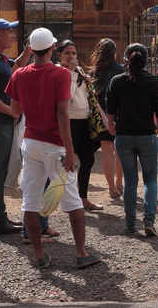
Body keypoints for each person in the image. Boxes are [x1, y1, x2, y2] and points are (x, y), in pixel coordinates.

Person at [5, 28, 102, 270]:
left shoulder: (18, 75)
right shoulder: (60, 75)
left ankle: (38, 255)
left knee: (30, 199)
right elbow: (62, 112)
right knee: (72, 200)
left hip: (30, 143)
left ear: (30, 48)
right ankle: (81, 253)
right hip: (55, 145)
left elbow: (15, 112)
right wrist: (70, 150)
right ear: (52, 49)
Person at [0, 19, 33, 235]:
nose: (13, 35)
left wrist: (28, 50)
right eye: (10, 32)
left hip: (2, 122)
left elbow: (17, 65)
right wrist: (11, 111)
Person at [105, 43, 158, 237]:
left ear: (125, 59)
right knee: (150, 179)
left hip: (123, 135)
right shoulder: (153, 81)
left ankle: (131, 224)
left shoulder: (117, 81)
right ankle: (149, 220)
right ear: (146, 60)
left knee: (130, 180)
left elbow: (110, 109)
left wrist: (111, 124)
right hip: (147, 135)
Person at [58, 40, 104, 211]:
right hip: (68, 121)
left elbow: (84, 96)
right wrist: (70, 73)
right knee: (67, 162)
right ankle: (66, 200)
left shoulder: (79, 71)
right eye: (67, 53)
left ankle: (82, 198)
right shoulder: (60, 72)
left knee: (88, 159)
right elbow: (66, 97)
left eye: (74, 53)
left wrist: (86, 82)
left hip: (84, 121)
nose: (71, 56)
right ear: (59, 56)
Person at [90, 38, 125, 199]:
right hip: (119, 115)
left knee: (106, 153)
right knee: (120, 152)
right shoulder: (121, 70)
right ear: (114, 54)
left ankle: (111, 188)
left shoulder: (94, 72)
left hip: (101, 116)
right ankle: (119, 183)